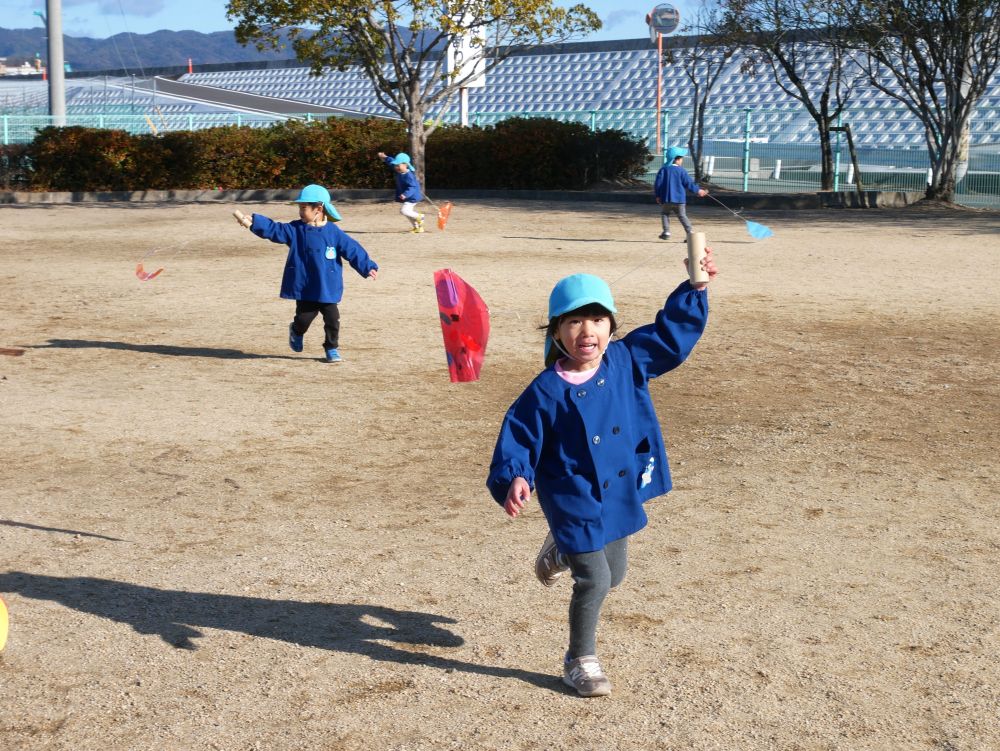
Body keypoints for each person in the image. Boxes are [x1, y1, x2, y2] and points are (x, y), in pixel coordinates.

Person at [485, 250, 717, 698]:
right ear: (555, 332)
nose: (585, 331)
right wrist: (516, 476)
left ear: (611, 326)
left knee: (616, 573)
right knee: (595, 579)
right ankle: (580, 659)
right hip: (572, 494)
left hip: (618, 486)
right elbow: (519, 437)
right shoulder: (545, 390)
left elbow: (671, 337)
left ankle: (560, 549)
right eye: (572, 321)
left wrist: (696, 288)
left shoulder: (627, 360)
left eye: (596, 319)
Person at [233, 184, 378, 363]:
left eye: (304, 208)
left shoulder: (333, 232)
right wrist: (256, 223)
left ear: (319, 208)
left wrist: (366, 266)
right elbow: (275, 230)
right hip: (306, 286)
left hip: (327, 285)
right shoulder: (296, 229)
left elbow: (352, 249)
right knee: (303, 319)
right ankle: (296, 330)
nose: (300, 212)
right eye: (299, 208)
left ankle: (331, 348)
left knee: (333, 318)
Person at [654, 145, 708, 240]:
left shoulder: (663, 170)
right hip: (680, 200)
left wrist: (658, 195)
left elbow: (658, 184)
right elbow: (688, 183)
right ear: (677, 159)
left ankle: (666, 231)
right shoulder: (682, 171)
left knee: (665, 214)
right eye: (681, 158)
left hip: (666, 199)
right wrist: (698, 190)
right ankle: (690, 233)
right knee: (682, 216)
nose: (682, 160)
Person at [377, 151, 426, 233]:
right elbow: (391, 161)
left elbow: (412, 187)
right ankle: (418, 228)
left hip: (412, 197)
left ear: (405, 164)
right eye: (396, 165)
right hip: (408, 196)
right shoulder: (399, 170)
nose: (396, 167)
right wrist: (384, 156)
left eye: (398, 165)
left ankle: (420, 216)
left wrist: (405, 194)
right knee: (407, 213)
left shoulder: (409, 175)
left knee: (404, 211)